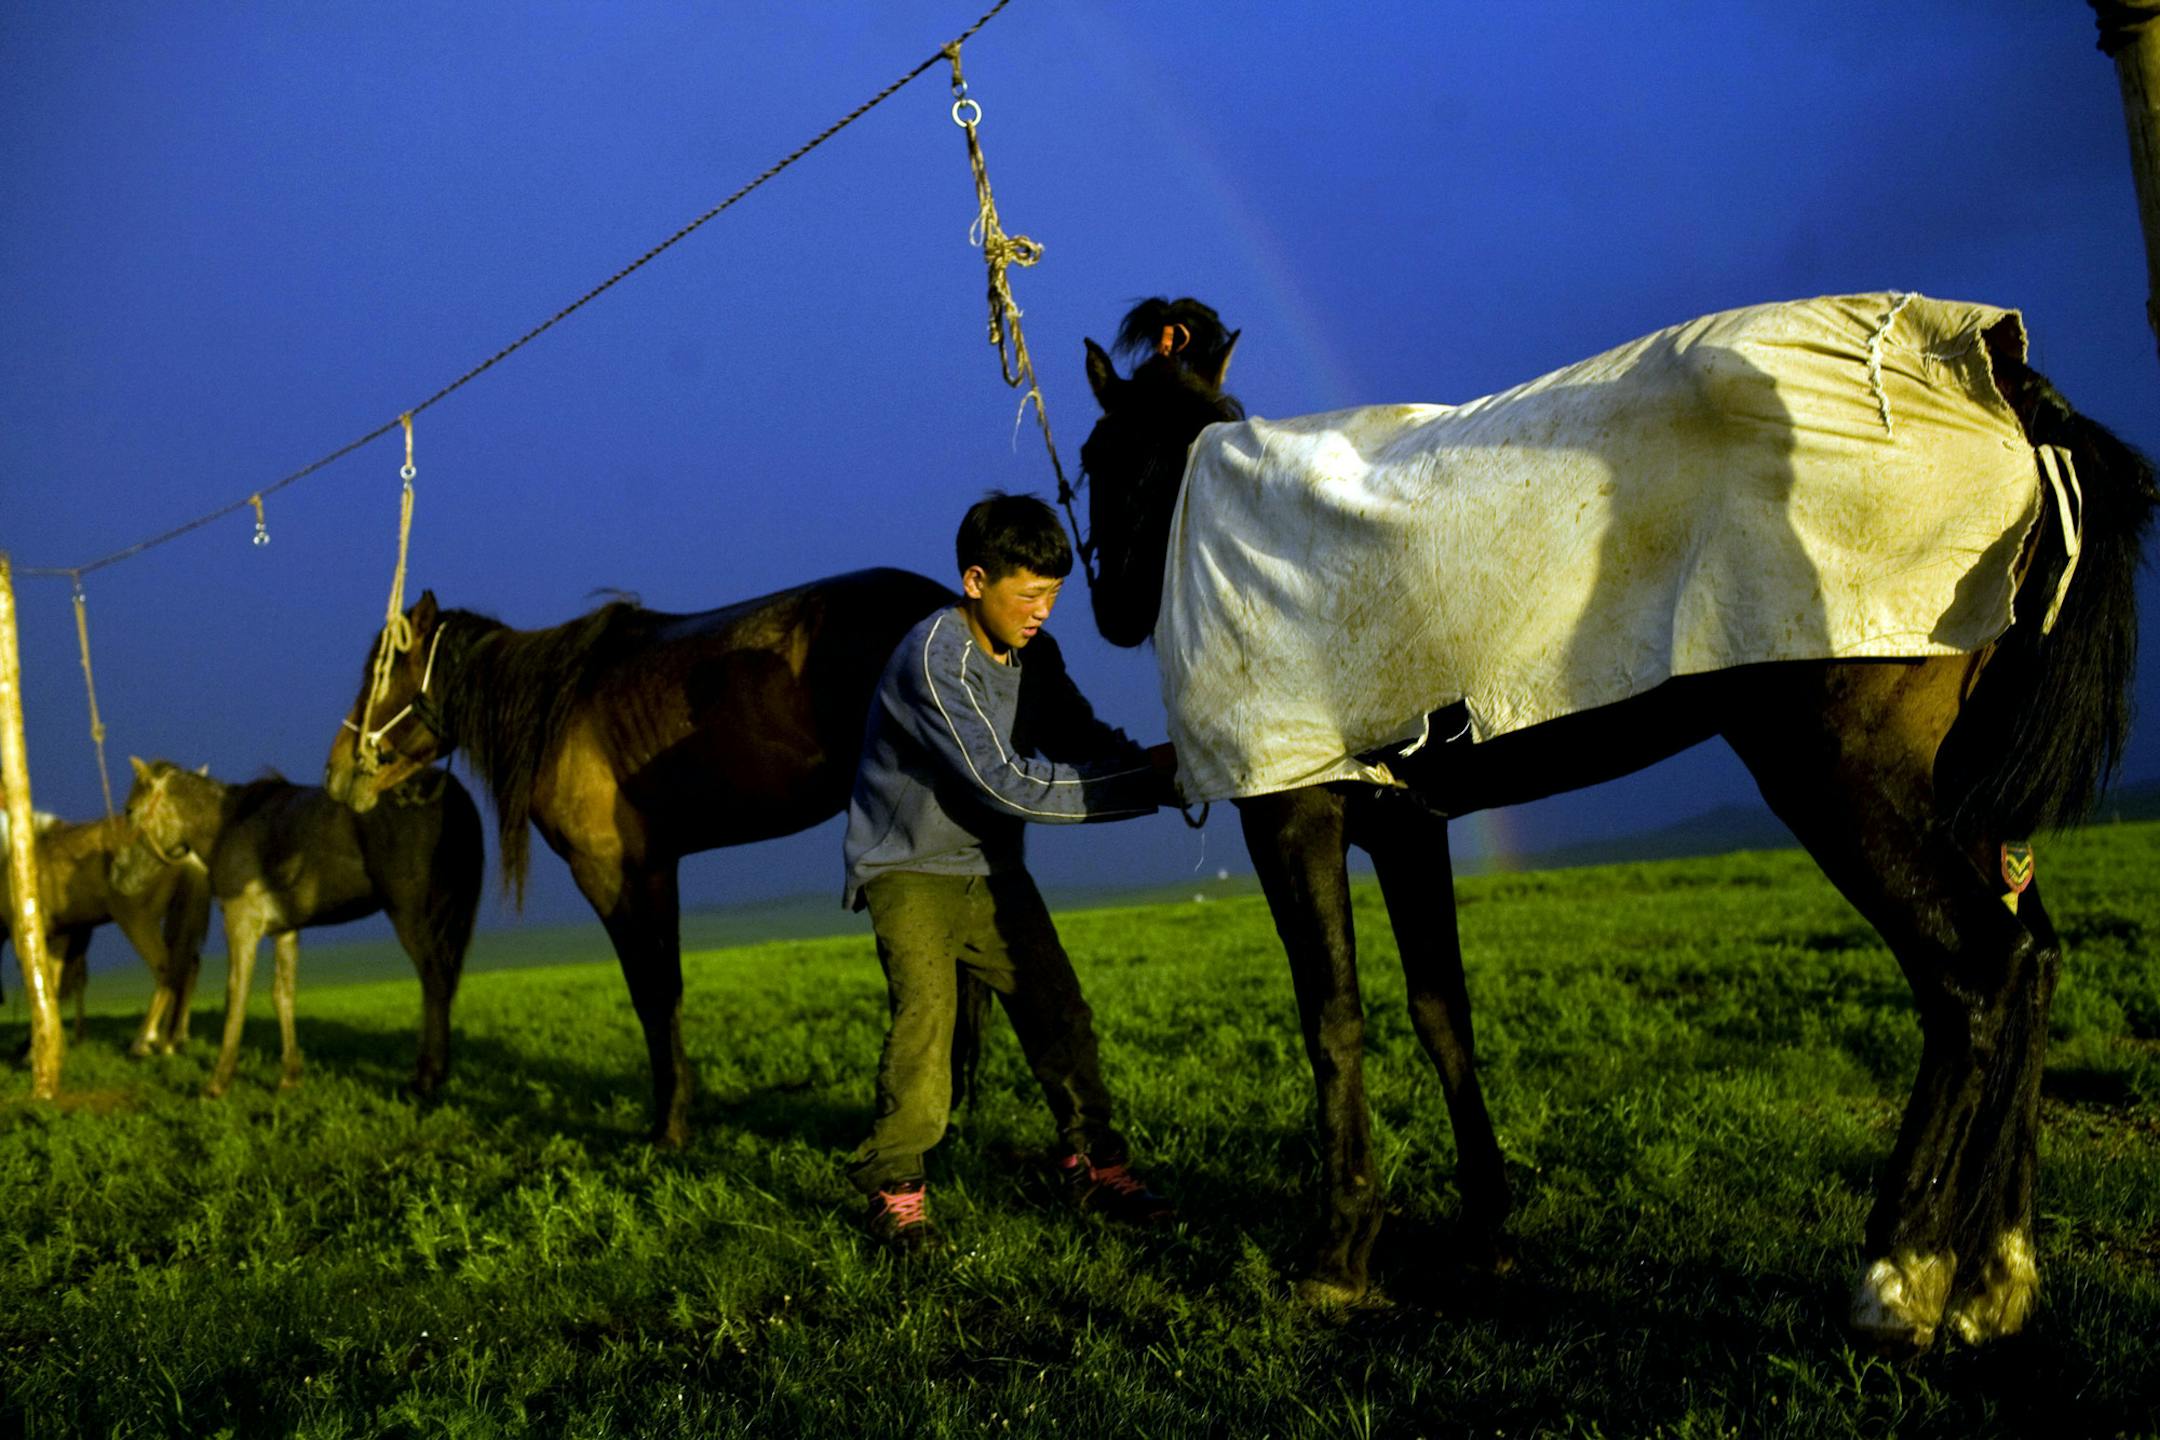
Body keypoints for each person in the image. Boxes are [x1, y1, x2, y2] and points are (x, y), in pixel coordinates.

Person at [842, 492, 1180, 1253]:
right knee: (927, 1023)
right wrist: (1141, 785)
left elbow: (1081, 734)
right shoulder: (935, 659)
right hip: (908, 867)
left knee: (1058, 1008)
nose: (1042, 613)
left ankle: (1095, 1163)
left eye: (1054, 595)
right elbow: (1002, 783)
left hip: (987, 865)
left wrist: (1162, 766)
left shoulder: (1033, 657)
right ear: (974, 581)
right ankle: (895, 1188)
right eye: (1028, 595)